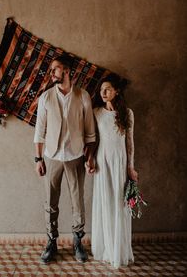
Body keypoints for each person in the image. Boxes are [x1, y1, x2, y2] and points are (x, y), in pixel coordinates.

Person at [34, 55, 96, 264]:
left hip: (76, 157)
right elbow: (39, 131)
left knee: (77, 202)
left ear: (67, 71)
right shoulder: (45, 97)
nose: (52, 73)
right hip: (51, 157)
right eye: (51, 70)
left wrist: (89, 158)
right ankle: (51, 242)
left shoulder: (83, 96)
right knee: (50, 202)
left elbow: (90, 133)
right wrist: (38, 159)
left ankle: (78, 242)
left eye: (56, 69)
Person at [91, 72, 138, 268]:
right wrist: (90, 160)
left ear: (116, 91)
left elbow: (130, 143)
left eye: (108, 89)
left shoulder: (127, 113)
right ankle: (106, 248)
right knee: (105, 202)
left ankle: (118, 250)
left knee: (119, 205)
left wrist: (131, 167)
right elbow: (92, 140)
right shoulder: (96, 112)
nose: (104, 92)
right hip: (103, 162)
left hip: (120, 163)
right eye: (102, 90)